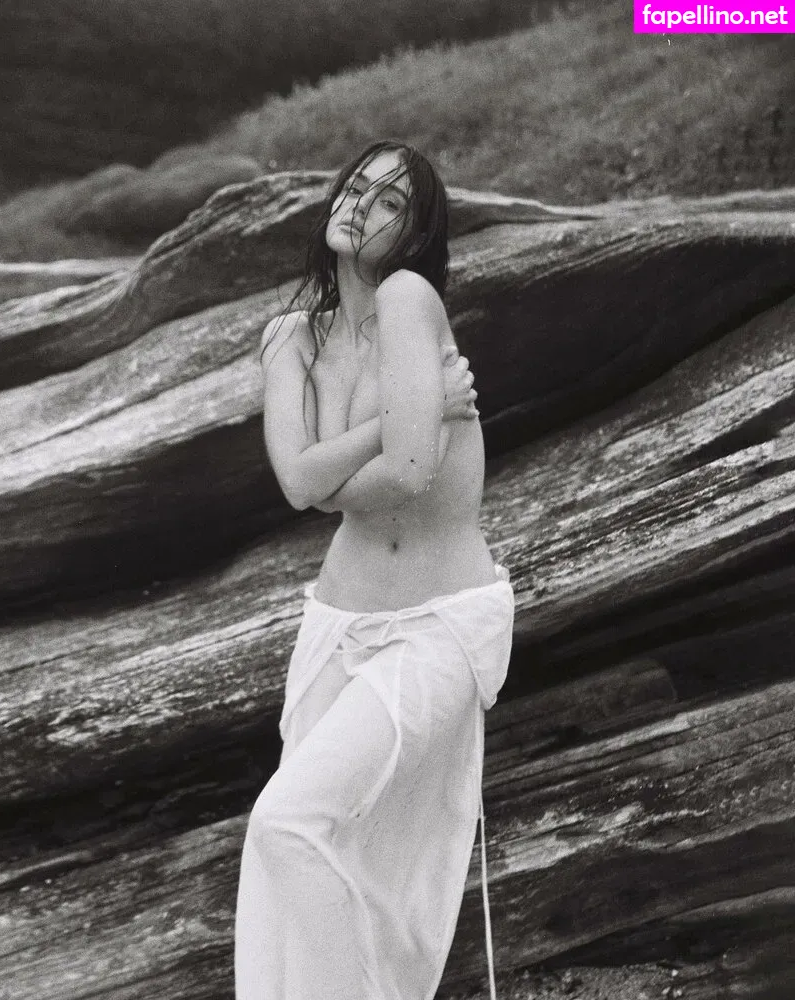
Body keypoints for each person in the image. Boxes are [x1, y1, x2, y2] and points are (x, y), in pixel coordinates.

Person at [234, 140, 515, 1000]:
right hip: (337, 622)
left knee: (288, 821)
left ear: (416, 233)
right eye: (356, 187)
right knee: (291, 847)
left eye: (389, 201)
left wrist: (334, 470)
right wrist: (391, 422)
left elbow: (414, 470)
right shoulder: (290, 337)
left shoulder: (407, 297)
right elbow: (297, 485)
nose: (360, 205)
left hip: (436, 624)